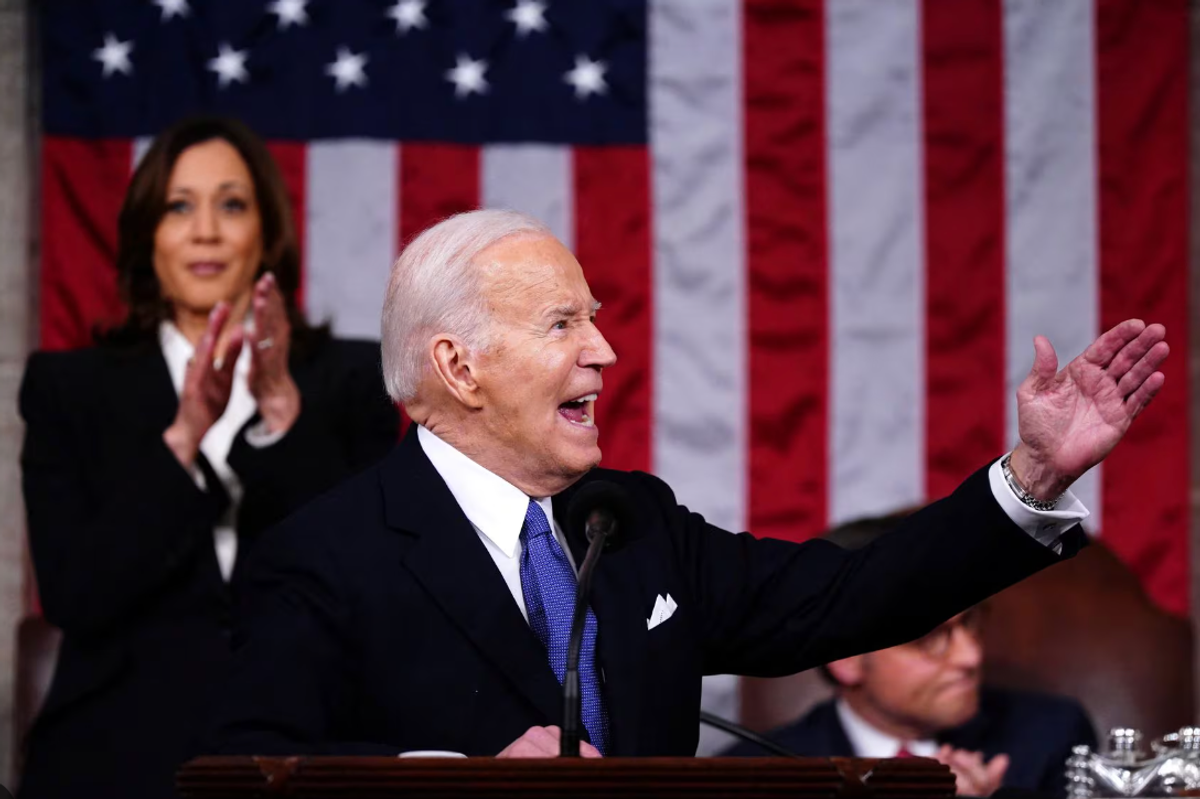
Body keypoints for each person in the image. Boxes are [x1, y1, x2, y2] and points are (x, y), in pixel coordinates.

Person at [208, 209, 1167, 759]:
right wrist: (450, 781)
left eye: (596, 319)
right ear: (459, 368)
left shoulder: (630, 523)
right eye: (562, 326)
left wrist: (1031, 474)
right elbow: (249, 770)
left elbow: (849, 595)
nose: (605, 351)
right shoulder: (324, 557)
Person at [18, 116, 399, 798]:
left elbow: (374, 588)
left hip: (309, 751)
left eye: (231, 204)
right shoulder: (67, 388)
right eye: (178, 206)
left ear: (266, 231)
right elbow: (77, 594)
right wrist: (182, 440)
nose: (206, 231)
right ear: (147, 237)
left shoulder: (350, 380)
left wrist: (283, 416)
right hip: (114, 754)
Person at [720, 513, 1098, 798]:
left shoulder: (1052, 736)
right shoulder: (753, 776)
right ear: (846, 658)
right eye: (929, 637)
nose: (971, 656)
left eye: (971, 623)